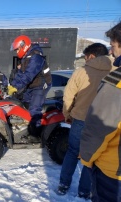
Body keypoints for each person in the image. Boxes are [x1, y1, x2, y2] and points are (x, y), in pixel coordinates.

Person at [56, 43, 115, 199]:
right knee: (93, 158)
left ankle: (63, 185)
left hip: (80, 120)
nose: (85, 60)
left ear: (92, 56)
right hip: (103, 124)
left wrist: (67, 114)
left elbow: (68, 96)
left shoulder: (81, 72)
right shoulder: (115, 71)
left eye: (86, 57)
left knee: (72, 152)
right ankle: (84, 191)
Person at [80, 21, 121, 202]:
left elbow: (99, 128)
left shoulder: (116, 81)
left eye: (113, 46)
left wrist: (87, 159)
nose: (111, 51)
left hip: (113, 173)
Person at [8, 35, 52, 141]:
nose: (16, 52)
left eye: (17, 49)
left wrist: (16, 86)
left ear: (24, 45)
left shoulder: (36, 56)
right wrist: (11, 86)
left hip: (41, 85)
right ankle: (25, 127)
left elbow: (28, 75)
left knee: (34, 109)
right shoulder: (26, 57)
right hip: (32, 85)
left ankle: (37, 135)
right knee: (22, 105)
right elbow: (20, 74)